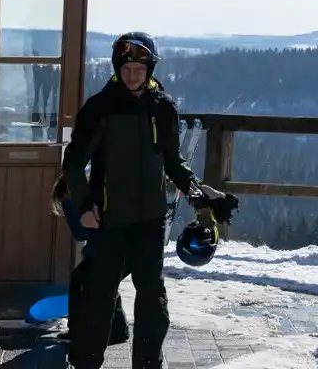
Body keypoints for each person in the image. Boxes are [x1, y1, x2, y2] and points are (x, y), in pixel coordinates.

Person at [61, 32, 214, 369]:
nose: (133, 75)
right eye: (127, 68)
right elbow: (73, 163)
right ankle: (86, 362)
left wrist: (196, 193)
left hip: (150, 218)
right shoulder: (100, 108)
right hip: (109, 217)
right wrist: (85, 207)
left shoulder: (163, 108)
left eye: (139, 68)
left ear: (150, 69)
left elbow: (173, 162)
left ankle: (148, 364)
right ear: (118, 68)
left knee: (151, 296)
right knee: (98, 296)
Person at [50, 175, 129, 346]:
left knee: (86, 282)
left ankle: (82, 331)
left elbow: (80, 233)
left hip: (109, 250)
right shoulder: (95, 193)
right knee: (100, 282)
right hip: (117, 248)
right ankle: (117, 330)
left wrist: (69, 206)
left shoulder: (81, 201)